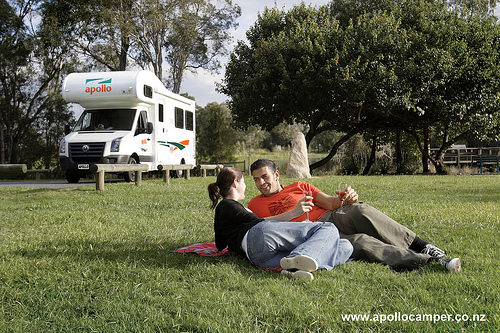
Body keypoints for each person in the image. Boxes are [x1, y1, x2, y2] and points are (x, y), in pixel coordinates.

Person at [248, 159, 461, 273]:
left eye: (264, 176)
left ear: (276, 174)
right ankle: (430, 262)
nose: (261, 183)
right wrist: (292, 213)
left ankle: (421, 244)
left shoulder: (299, 186)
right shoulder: (254, 204)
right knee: (362, 243)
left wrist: (345, 199)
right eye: (256, 179)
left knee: (360, 209)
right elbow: (260, 228)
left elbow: (331, 202)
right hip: (311, 236)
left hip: (330, 218)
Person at [208, 167, 353, 280]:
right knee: (328, 227)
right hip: (259, 236)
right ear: (236, 183)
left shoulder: (229, 209)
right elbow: (257, 223)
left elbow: (220, 244)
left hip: (258, 258)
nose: (245, 186)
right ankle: (303, 255)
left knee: (345, 246)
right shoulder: (226, 204)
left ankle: (295, 267)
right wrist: (294, 213)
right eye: (244, 182)